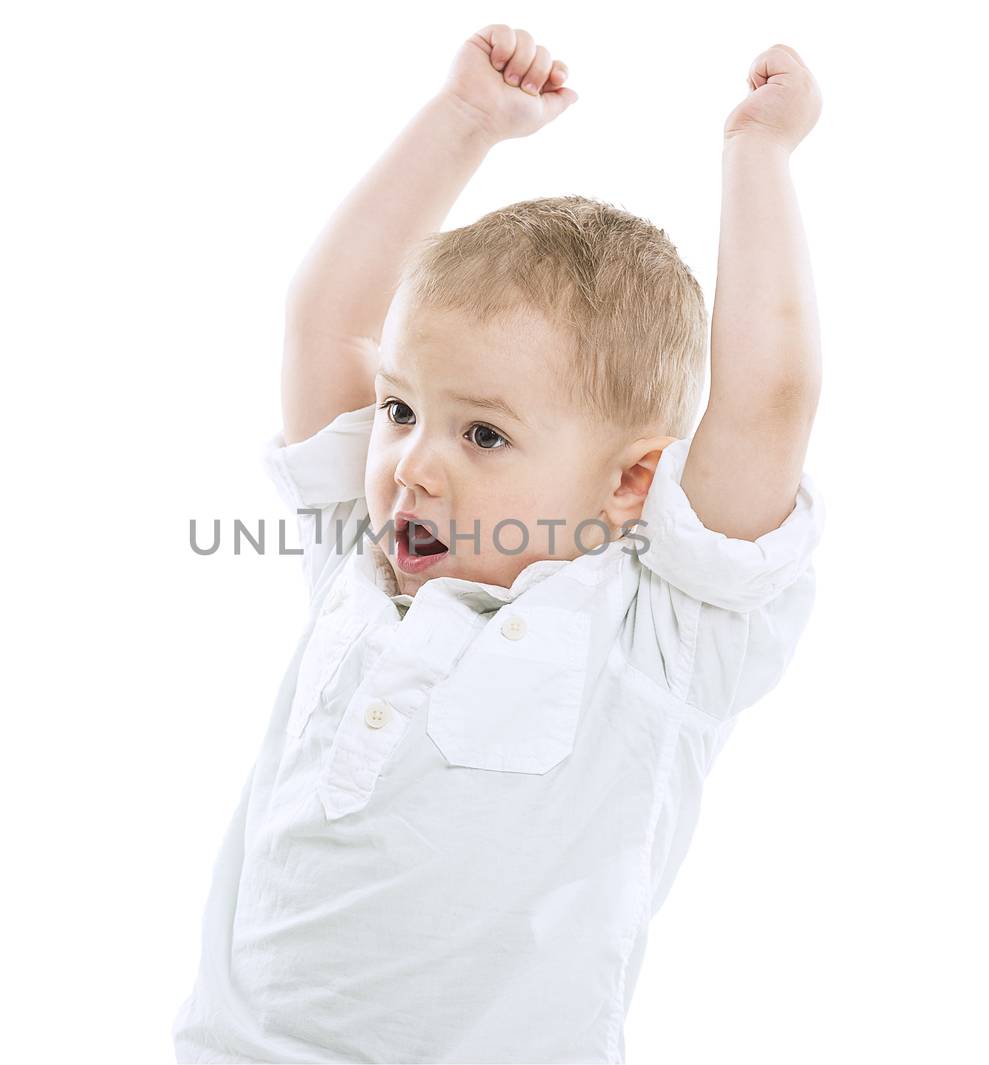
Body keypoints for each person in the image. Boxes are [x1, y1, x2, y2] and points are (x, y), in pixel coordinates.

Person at [174, 23, 827, 1063]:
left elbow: (767, 402)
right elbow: (325, 319)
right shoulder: (364, 559)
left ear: (630, 482)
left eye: (483, 433)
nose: (414, 466)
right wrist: (463, 123)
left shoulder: (657, 638)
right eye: (399, 411)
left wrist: (758, 155)